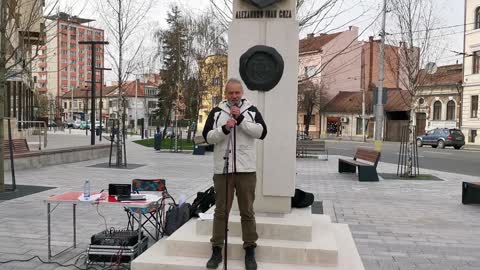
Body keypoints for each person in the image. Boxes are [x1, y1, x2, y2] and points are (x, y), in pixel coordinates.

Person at [202, 78, 267, 270]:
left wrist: (240, 121)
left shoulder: (251, 110)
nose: (234, 96)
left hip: (246, 169)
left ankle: (250, 249)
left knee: (247, 211)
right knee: (221, 211)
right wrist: (224, 128)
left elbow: (261, 132)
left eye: (237, 93)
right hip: (223, 169)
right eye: (230, 93)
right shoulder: (216, 112)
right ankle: (216, 249)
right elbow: (207, 136)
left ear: (242, 93)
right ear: (225, 94)